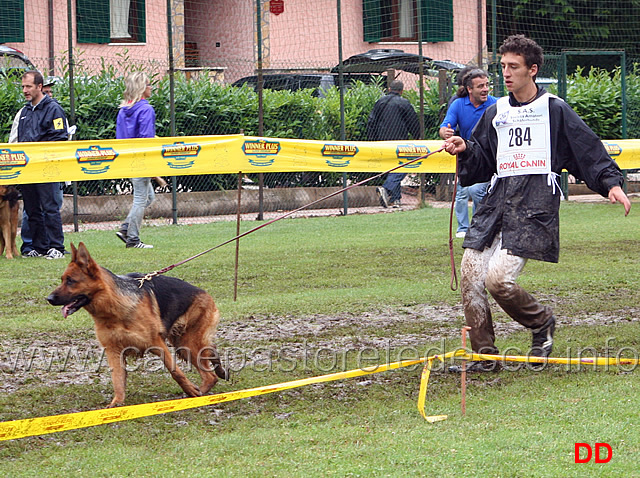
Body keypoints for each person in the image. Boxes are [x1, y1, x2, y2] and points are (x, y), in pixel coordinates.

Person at [442, 35, 631, 372]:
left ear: (533, 69)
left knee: (498, 280)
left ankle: (541, 323)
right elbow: (484, 155)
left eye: (513, 67)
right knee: (471, 273)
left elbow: (587, 150)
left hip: (534, 203)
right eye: (503, 67)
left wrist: (611, 184)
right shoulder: (496, 111)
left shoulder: (554, 109)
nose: (506, 74)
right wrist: (466, 148)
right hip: (496, 201)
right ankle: (485, 357)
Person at [16, 71, 68, 259]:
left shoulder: (54, 109)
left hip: (47, 168)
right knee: (31, 209)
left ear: (39, 87)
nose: (25, 90)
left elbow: (59, 137)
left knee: (50, 207)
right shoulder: (25, 111)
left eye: (28, 86)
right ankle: (39, 246)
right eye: (23, 87)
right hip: (28, 169)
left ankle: (57, 247)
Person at [440, 68, 497, 238]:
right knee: (462, 193)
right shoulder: (458, 104)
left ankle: (480, 225)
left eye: (487, 85)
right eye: (481, 86)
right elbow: (444, 128)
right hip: (466, 155)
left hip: (487, 157)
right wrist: (446, 133)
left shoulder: (496, 104)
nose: (485, 89)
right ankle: (463, 228)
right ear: (469, 89)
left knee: (477, 191)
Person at [115, 71, 156, 249]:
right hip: (142, 158)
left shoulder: (123, 110)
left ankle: (126, 227)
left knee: (149, 197)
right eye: (148, 84)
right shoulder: (146, 109)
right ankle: (133, 238)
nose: (151, 87)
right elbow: (146, 137)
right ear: (142, 88)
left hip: (128, 157)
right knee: (141, 198)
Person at [367, 80, 421, 208]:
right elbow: (413, 122)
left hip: (382, 141)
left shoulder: (380, 102)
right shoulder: (404, 103)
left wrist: (372, 140)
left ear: (389, 88)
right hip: (400, 141)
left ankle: (395, 199)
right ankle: (387, 189)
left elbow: (371, 121)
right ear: (402, 91)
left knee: (392, 167)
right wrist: (416, 137)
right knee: (402, 166)